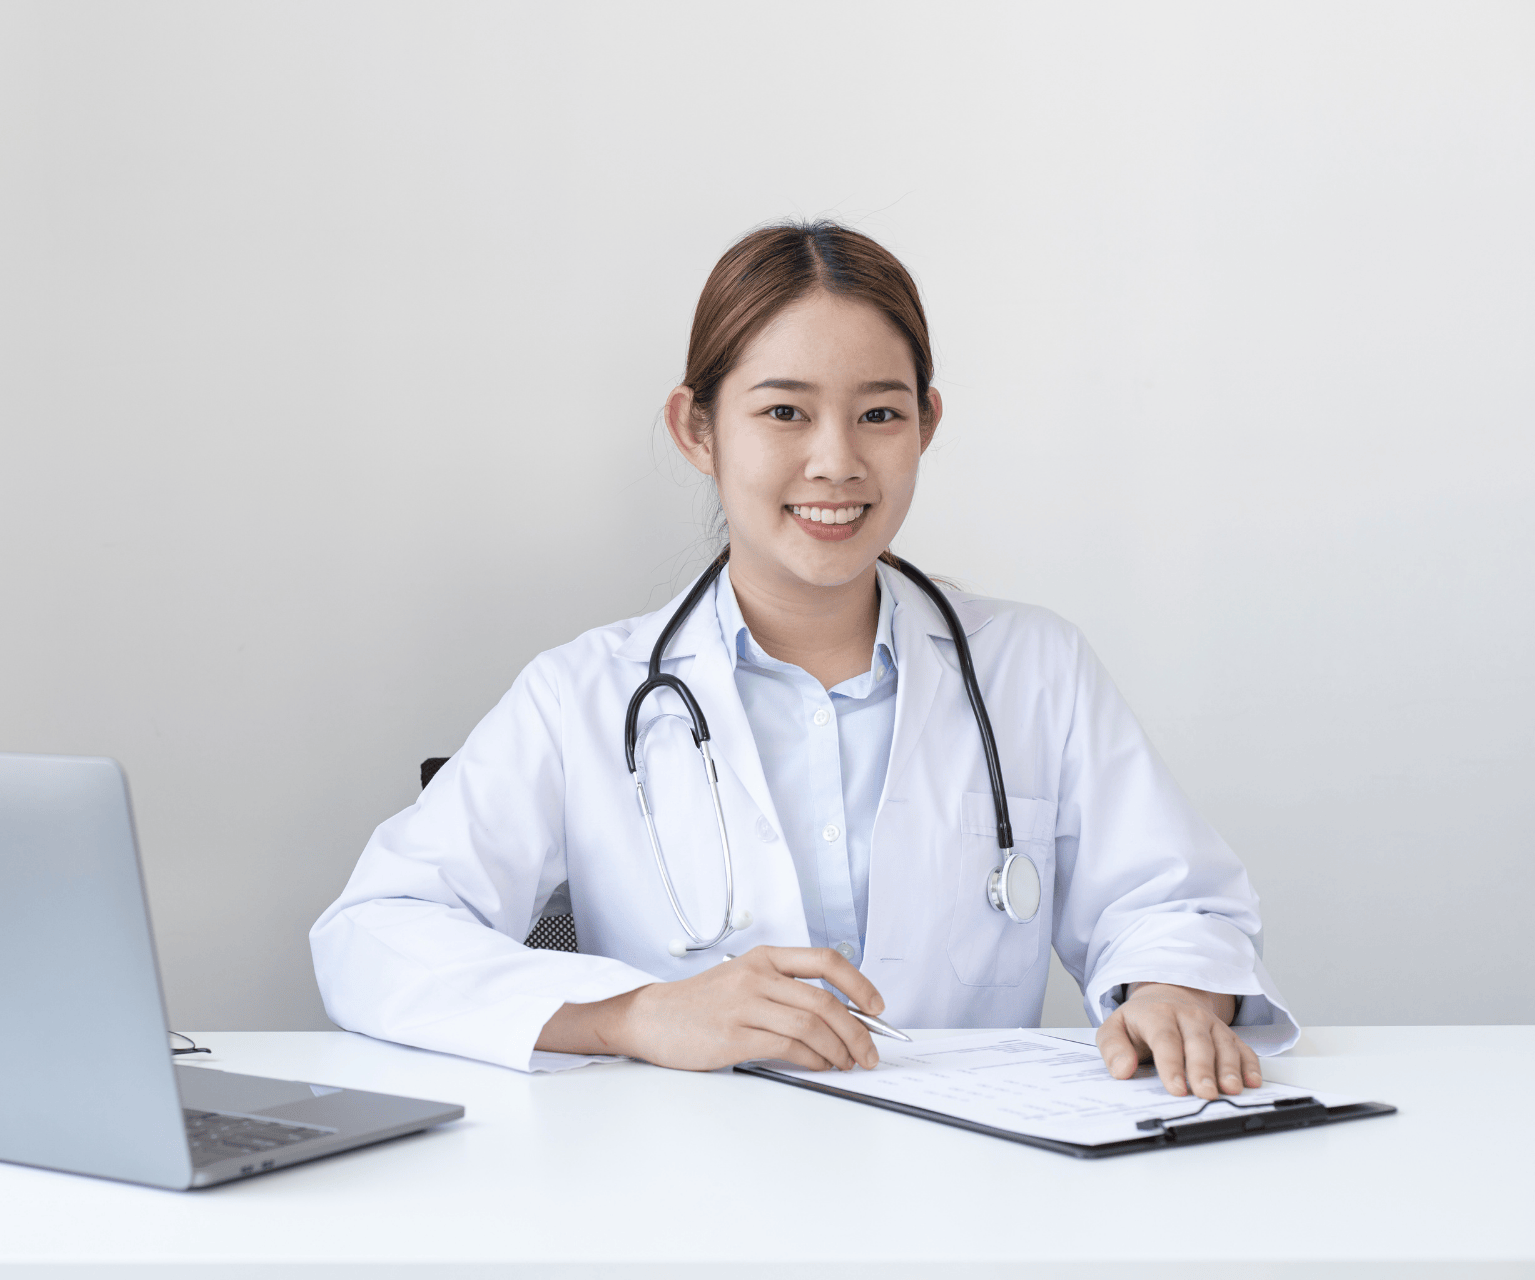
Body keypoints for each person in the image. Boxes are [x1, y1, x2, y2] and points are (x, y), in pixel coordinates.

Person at [311, 221, 1294, 1101]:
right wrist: (639, 1011)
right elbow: (374, 932)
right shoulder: (582, 694)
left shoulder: (1031, 668)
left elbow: (1172, 899)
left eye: (878, 413)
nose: (836, 461)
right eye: (784, 412)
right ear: (697, 429)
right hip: (688, 1201)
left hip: (977, 1196)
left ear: (927, 423)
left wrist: (1171, 991)